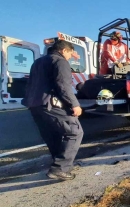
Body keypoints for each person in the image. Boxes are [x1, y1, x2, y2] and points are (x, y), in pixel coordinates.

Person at [22, 40, 84, 180]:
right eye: (70, 53)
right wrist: (74, 104)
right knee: (75, 132)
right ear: (64, 51)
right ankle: (59, 168)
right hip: (49, 104)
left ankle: (61, 165)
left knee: (53, 135)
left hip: (34, 105)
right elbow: (63, 85)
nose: (70, 56)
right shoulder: (60, 61)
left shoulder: (37, 62)